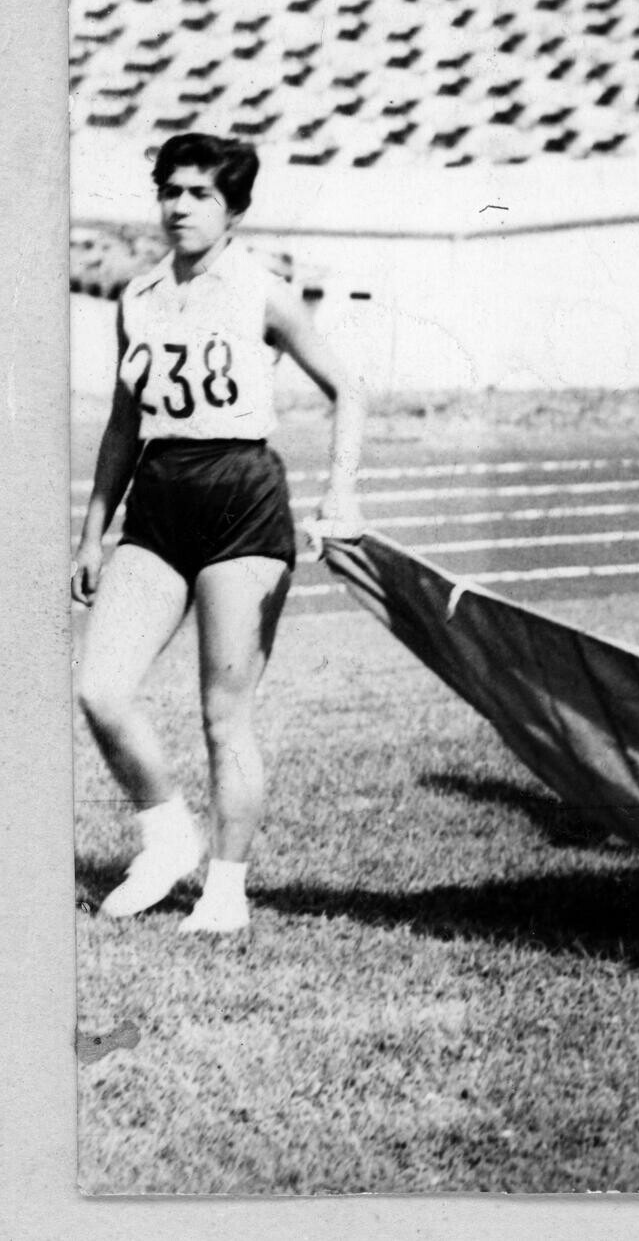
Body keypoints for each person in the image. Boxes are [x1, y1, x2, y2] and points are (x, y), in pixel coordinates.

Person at [73, 133, 365, 935]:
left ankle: (226, 889)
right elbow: (123, 423)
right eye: (170, 190)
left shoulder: (261, 290)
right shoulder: (139, 297)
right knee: (99, 687)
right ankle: (167, 836)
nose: (179, 206)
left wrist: (342, 492)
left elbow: (348, 387)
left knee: (222, 714)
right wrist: (94, 533)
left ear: (234, 207)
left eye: (199, 193)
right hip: (161, 498)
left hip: (242, 498)